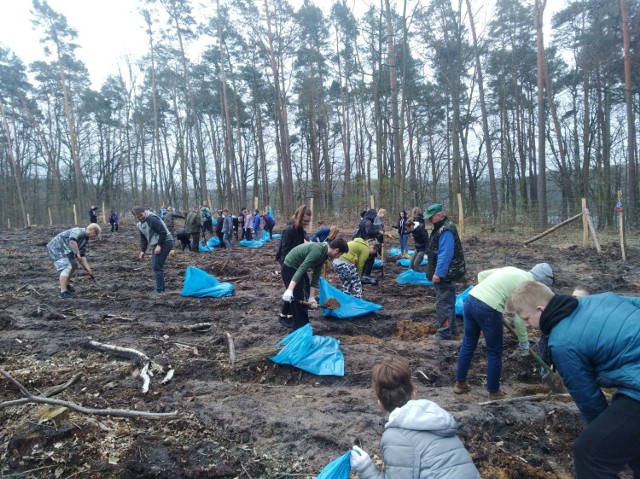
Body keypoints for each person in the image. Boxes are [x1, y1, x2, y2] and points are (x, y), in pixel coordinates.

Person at [507, 281, 640, 478]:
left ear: (540, 309)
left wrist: (604, 434)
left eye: (527, 319)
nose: (527, 325)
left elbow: (589, 400)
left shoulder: (562, 343)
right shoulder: (599, 298)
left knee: (591, 453)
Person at [350, 359, 481, 479]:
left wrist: (365, 467)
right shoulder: (438, 419)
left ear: (380, 404)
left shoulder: (395, 437)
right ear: (413, 394)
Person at [453, 263, 554, 400]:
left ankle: (460, 384)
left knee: (468, 343)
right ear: (540, 282)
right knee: (494, 352)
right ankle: (494, 392)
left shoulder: (512, 269)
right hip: (488, 309)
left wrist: (487, 294)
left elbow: (481, 275)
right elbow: (519, 320)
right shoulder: (527, 286)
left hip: (471, 300)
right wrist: (523, 341)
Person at [281, 238, 348, 330]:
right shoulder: (317, 252)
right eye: (340, 254)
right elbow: (302, 269)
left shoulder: (324, 254)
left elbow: (315, 276)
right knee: (298, 296)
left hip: (298, 266)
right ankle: (301, 327)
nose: (339, 257)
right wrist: (290, 289)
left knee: (300, 293)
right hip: (290, 266)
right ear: (336, 250)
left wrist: (312, 297)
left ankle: (285, 316)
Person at [426, 203, 466, 340]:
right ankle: (453, 330)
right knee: (448, 302)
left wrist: (439, 273)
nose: (429, 221)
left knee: (442, 304)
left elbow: (445, 254)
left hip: (446, 274)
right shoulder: (441, 228)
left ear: (439, 215)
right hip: (447, 273)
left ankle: (444, 332)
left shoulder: (446, 230)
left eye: (431, 218)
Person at [276, 204, 312, 324]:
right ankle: (289, 316)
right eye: (305, 220)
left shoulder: (300, 230)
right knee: (294, 290)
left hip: (297, 263)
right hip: (287, 263)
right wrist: (294, 265)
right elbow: (285, 251)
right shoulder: (289, 230)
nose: (307, 223)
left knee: (301, 286)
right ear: (299, 217)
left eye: (309, 221)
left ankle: (285, 314)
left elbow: (303, 242)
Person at [47, 223, 101, 298]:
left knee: (74, 265)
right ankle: (63, 292)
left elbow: (82, 256)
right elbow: (72, 241)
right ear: (92, 230)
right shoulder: (77, 231)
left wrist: (88, 269)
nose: (94, 236)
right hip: (57, 247)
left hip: (66, 249)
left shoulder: (85, 239)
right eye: (95, 233)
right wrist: (77, 253)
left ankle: (66, 284)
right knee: (67, 267)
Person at [132, 206, 174, 294]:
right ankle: (161, 289)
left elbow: (163, 232)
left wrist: (159, 245)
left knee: (157, 266)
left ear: (144, 211)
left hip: (166, 241)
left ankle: (160, 290)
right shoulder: (140, 224)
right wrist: (143, 251)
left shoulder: (151, 218)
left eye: (141, 215)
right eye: (138, 217)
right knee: (156, 265)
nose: (140, 218)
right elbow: (143, 238)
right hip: (157, 243)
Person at [356, 208, 382, 282]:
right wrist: (378, 231)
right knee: (370, 258)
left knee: (365, 259)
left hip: (363, 241)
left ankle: (363, 274)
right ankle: (367, 274)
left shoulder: (363, 220)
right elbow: (369, 231)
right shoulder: (368, 222)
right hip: (369, 242)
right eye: (374, 216)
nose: (374, 217)